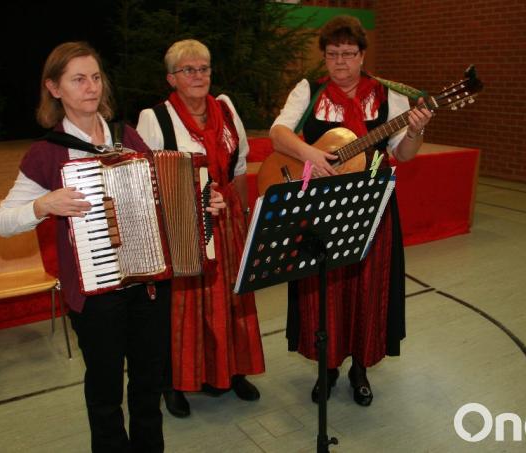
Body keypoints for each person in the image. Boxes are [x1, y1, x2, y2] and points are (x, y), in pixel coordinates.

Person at [0, 41, 226, 452]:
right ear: (54, 88)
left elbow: (164, 193)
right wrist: (43, 204)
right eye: (78, 79)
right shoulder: (46, 154)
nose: (91, 87)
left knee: (148, 385)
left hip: (149, 287)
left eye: (96, 77)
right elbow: (4, 221)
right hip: (95, 295)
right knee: (104, 393)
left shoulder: (127, 135)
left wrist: (204, 202)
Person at [269, 15, 432, 407]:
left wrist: (415, 130)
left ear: (362, 55)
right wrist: (310, 153)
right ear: (324, 56)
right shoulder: (308, 90)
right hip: (319, 206)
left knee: (368, 288)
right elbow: (278, 133)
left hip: (372, 205)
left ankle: (360, 367)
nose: (340, 62)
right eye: (332, 54)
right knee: (321, 289)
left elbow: (404, 156)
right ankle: (326, 367)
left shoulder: (388, 95)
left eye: (348, 54)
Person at [136, 39, 265, 418]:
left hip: (227, 219)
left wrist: (240, 215)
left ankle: (230, 371)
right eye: (188, 70)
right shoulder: (155, 118)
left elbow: (239, 168)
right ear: (171, 78)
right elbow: (147, 182)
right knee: (185, 308)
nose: (198, 76)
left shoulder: (225, 108)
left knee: (232, 299)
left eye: (204, 68)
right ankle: (175, 383)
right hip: (181, 223)